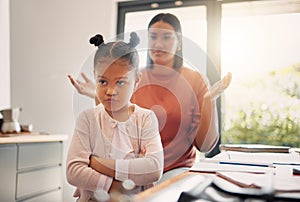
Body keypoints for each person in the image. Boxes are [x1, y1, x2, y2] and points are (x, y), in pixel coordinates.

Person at [68, 13, 231, 184]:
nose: (158, 44)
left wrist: (208, 101)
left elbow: (205, 146)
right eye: (153, 37)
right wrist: (99, 92)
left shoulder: (195, 80)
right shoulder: (131, 79)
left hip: (176, 170)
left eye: (167, 37)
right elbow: (111, 129)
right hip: (132, 170)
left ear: (179, 43)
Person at [66, 33, 164, 201]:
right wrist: (114, 185)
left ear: (137, 80)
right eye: (103, 82)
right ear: (95, 76)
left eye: (120, 82)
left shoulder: (146, 118)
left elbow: (154, 169)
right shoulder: (87, 119)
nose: (111, 91)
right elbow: (74, 171)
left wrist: (96, 164)